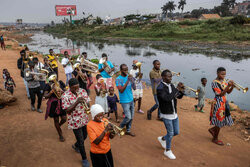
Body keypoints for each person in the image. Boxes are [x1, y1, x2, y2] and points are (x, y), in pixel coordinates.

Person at [61, 78, 90, 167]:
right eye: (74, 88)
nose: (77, 90)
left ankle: (75, 145)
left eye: (78, 87)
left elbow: (88, 103)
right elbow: (67, 111)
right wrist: (77, 102)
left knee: (85, 135)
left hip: (84, 118)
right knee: (81, 140)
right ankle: (84, 159)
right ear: (69, 87)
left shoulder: (82, 91)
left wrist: (86, 104)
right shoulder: (65, 96)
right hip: (74, 121)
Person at [156, 69, 184, 160]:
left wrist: (181, 91)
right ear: (163, 77)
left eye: (171, 76)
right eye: (168, 76)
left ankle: (163, 139)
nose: (170, 78)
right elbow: (167, 98)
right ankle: (167, 150)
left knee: (176, 132)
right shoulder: (160, 88)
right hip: (166, 114)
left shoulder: (171, 85)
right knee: (171, 133)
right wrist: (176, 89)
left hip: (174, 112)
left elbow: (177, 97)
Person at [209, 67, 234, 146]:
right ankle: (215, 139)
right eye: (222, 74)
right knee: (219, 120)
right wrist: (228, 86)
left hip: (224, 102)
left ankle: (213, 130)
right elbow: (220, 94)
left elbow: (228, 92)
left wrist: (232, 86)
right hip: (219, 103)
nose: (224, 76)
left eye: (224, 74)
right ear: (217, 73)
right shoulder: (214, 82)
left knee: (225, 119)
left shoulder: (223, 81)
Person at [44, 73, 67, 142]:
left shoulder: (60, 82)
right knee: (56, 120)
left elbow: (66, 90)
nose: (54, 79)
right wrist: (51, 92)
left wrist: (63, 91)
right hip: (53, 104)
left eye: (55, 77)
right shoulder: (48, 85)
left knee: (64, 119)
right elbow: (45, 96)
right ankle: (60, 135)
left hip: (62, 102)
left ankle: (58, 126)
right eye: (53, 78)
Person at [116, 64, 136, 137]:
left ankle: (128, 130)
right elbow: (121, 90)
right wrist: (127, 81)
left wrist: (132, 81)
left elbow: (134, 88)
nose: (126, 71)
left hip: (131, 99)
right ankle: (120, 127)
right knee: (128, 117)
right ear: (121, 70)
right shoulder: (118, 79)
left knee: (132, 117)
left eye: (127, 69)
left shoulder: (130, 77)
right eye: (124, 70)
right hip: (124, 101)